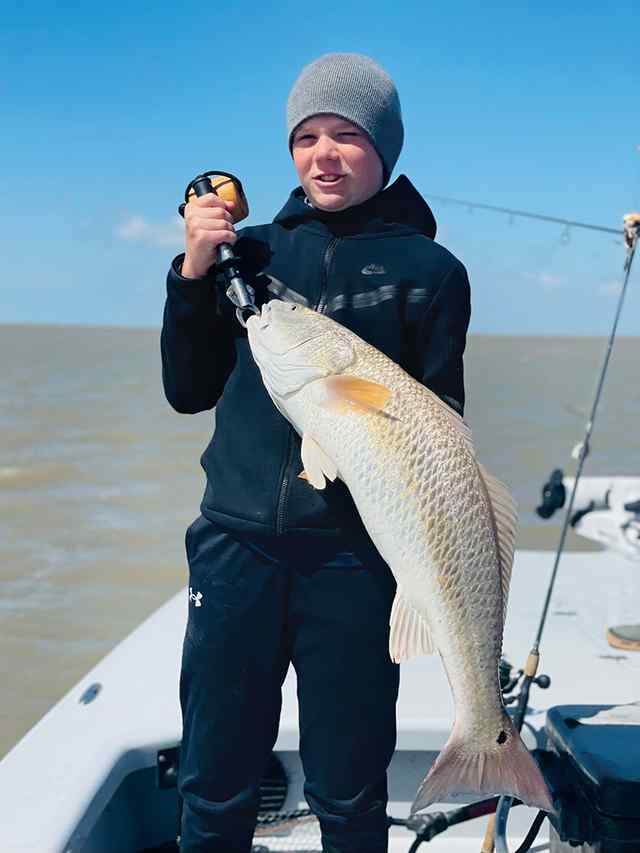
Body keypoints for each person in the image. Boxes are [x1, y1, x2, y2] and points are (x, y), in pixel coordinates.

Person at [161, 52, 472, 853]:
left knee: (350, 789)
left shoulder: (432, 272)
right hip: (235, 546)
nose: (323, 154)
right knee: (215, 782)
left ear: (384, 148)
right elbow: (188, 390)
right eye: (306, 137)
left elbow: (442, 429)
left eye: (346, 135)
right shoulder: (251, 254)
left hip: (355, 561)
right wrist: (193, 274)